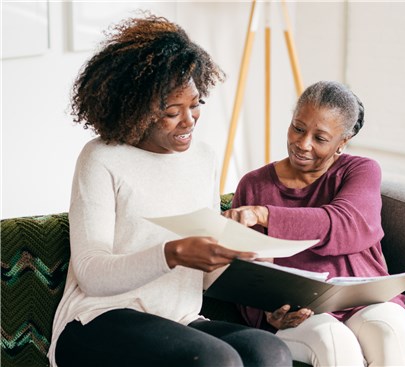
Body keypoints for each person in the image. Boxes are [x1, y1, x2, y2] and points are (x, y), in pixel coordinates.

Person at [48, 15, 292, 367]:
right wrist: (173, 253)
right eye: (171, 112)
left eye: (195, 105)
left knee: (269, 352)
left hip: (178, 320)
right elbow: (91, 273)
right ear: (137, 109)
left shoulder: (203, 158)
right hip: (97, 320)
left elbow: (206, 275)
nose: (189, 120)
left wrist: (246, 262)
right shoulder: (101, 158)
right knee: (215, 360)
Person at [223, 81, 405, 367]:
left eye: (320, 138)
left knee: (391, 332)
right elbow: (248, 273)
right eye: (298, 128)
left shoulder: (360, 171)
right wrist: (267, 313)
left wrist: (266, 215)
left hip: (366, 301)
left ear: (342, 141)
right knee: (334, 343)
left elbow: (346, 225)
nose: (303, 144)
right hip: (303, 312)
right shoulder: (254, 185)